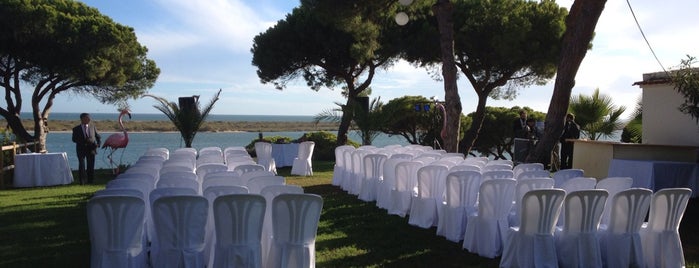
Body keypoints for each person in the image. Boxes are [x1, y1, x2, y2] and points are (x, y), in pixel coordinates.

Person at [72, 113, 101, 184]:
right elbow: (74, 139)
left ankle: (90, 181)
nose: (89, 119)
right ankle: (82, 181)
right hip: (81, 148)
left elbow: (97, 136)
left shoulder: (92, 126)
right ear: (82, 119)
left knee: (91, 165)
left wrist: (98, 144)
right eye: (87, 118)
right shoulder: (76, 129)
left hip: (91, 148)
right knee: (82, 165)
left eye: (89, 118)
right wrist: (84, 141)